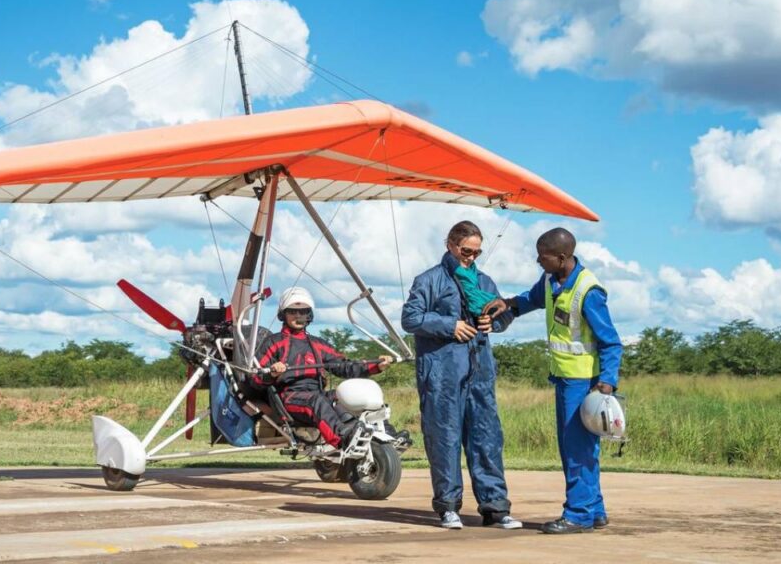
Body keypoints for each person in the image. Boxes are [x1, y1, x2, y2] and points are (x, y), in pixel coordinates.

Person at [486, 227, 622, 534]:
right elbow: (532, 298)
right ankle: (595, 510)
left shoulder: (589, 291)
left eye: (542, 256)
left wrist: (607, 381)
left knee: (577, 451)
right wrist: (509, 304)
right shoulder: (550, 280)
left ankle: (578, 515)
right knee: (578, 448)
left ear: (561, 257)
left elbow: (611, 342)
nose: (538, 260)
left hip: (583, 382)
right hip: (563, 379)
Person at [401, 220, 521, 531]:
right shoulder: (430, 280)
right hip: (441, 373)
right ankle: (448, 506)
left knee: (486, 438)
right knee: (445, 439)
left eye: (476, 253)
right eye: (466, 251)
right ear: (451, 246)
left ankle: (495, 508)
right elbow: (410, 318)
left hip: (479, 370)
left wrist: (493, 323)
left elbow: (503, 314)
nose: (471, 257)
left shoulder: (484, 282)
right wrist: (449, 325)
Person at [252, 286, 394, 449]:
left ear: (309, 315)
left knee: (348, 396)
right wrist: (272, 373)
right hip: (289, 398)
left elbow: (344, 366)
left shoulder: (318, 344)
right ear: (283, 314)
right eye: (292, 312)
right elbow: (255, 379)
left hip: (316, 394)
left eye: (303, 312)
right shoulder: (273, 342)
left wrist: (376, 365)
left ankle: (386, 435)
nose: (298, 316)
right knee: (316, 401)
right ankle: (344, 439)